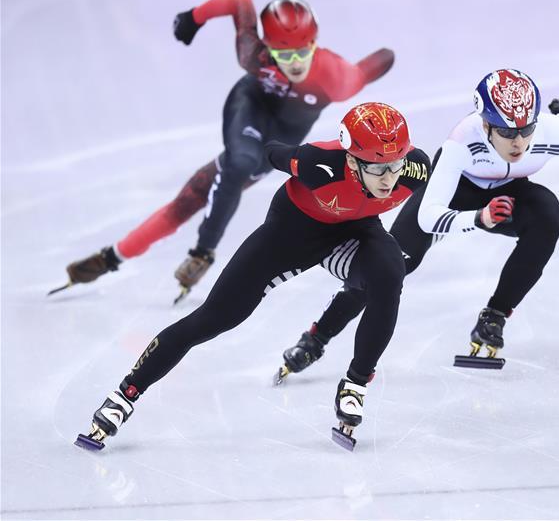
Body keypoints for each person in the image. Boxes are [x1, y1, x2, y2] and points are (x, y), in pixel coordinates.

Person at [75, 102, 432, 452]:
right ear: (352, 161)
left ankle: (355, 384)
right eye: (377, 168)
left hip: (355, 234)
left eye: (395, 165)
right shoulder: (317, 164)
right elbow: (273, 151)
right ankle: (125, 394)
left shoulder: (415, 170)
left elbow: (424, 215)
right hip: (290, 235)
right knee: (214, 318)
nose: (389, 178)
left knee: (390, 273)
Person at [54, 0, 395, 302]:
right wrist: (194, 17)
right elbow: (239, 0)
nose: (293, 62)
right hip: (248, 107)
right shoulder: (254, 55)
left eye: (302, 51)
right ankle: (202, 252)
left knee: (194, 195)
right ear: (268, 47)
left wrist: (382, 57)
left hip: (279, 139)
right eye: (282, 53)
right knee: (239, 163)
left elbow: (372, 66)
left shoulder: (336, 77)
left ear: (315, 42)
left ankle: (112, 256)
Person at [274, 68, 559, 380]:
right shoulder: (462, 142)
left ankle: (494, 316)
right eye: (507, 132)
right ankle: (317, 336)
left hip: (510, 192)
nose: (518, 142)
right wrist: (478, 219)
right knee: (392, 267)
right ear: (484, 124)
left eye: (526, 130)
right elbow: (428, 216)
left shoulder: (554, 134)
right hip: (455, 191)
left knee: (548, 214)